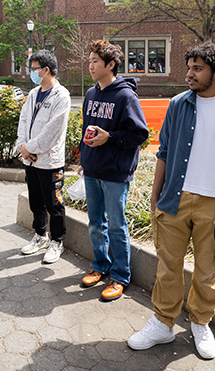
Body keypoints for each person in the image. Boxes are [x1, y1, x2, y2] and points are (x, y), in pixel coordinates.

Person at [127, 42, 215, 360]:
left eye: (197, 68)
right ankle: (163, 323)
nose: (189, 73)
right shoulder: (178, 104)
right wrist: (155, 196)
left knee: (207, 270)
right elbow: (163, 152)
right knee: (168, 268)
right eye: (189, 67)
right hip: (175, 198)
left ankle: (201, 323)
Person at [78, 40, 149, 301]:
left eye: (95, 61)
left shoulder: (126, 96)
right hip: (92, 168)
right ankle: (100, 266)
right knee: (96, 223)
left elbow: (140, 133)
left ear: (110, 65)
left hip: (115, 173)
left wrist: (111, 137)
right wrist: (82, 157)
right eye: (89, 61)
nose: (91, 66)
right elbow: (86, 127)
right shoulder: (90, 94)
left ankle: (119, 276)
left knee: (117, 225)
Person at [16, 50, 72, 264]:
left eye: (34, 69)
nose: (31, 73)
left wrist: (30, 148)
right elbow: (23, 121)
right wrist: (22, 147)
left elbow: (53, 131)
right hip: (29, 159)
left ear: (45, 70)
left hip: (48, 161)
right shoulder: (33, 94)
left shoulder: (62, 96)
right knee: (36, 201)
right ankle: (40, 236)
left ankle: (57, 241)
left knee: (54, 204)